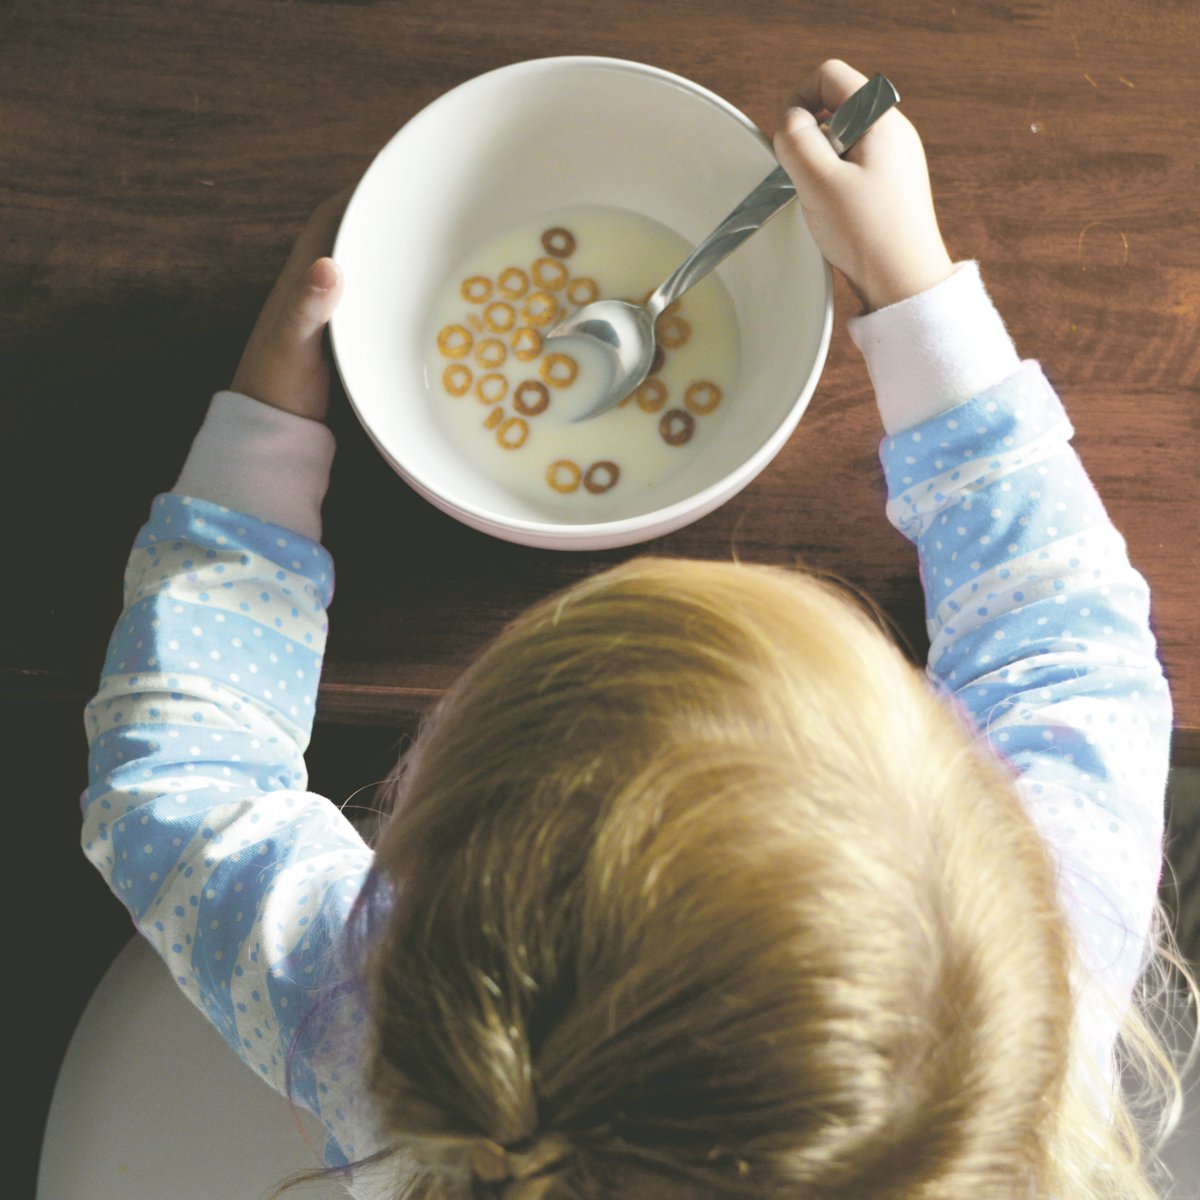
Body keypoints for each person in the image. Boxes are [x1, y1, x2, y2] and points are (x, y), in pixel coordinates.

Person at [81, 59, 1188, 1200]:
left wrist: (263, 428)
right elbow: (1065, 644)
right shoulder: (1038, 989)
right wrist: (914, 289)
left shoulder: (370, 1034)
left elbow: (172, 785)